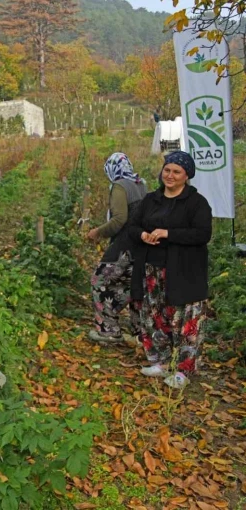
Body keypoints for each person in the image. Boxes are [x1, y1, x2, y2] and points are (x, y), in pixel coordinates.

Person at [127, 151, 212, 389]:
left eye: (177, 171)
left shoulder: (196, 203)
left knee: (186, 319)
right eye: (167, 170)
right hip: (152, 270)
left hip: (184, 271)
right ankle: (162, 361)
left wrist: (168, 233)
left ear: (187, 175)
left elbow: (202, 234)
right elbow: (132, 226)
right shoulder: (151, 200)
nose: (170, 175)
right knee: (155, 316)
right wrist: (143, 235)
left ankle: (184, 370)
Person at [87, 153, 147, 344]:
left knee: (99, 280)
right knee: (134, 284)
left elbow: (119, 219)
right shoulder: (141, 184)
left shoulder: (120, 185)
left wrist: (98, 232)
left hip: (124, 245)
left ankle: (109, 329)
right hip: (142, 245)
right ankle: (141, 333)